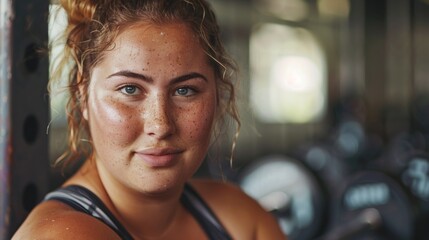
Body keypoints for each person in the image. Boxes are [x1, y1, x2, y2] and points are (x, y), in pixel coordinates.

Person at [13, 0, 286, 239]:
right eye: (129, 89)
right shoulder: (61, 235)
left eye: (185, 90)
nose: (160, 125)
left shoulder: (240, 218)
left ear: (218, 95)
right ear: (83, 96)